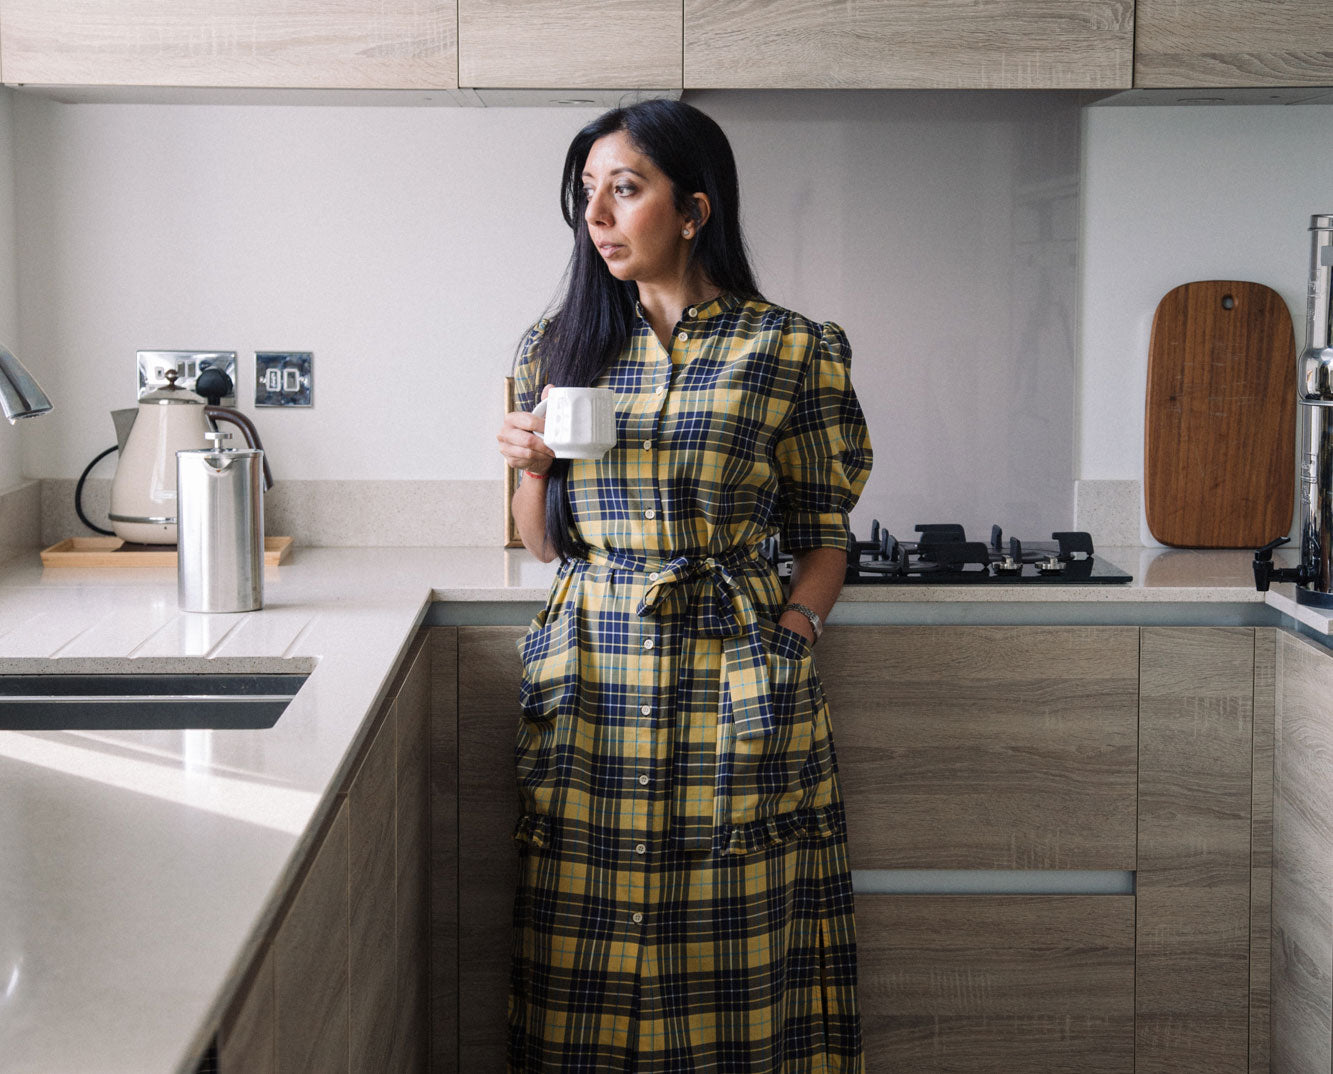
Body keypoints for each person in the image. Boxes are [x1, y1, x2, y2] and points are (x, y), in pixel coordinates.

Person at [495, 98, 872, 1073]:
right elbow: (542, 547)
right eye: (587, 193)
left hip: (735, 670)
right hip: (592, 675)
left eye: (625, 188)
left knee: (737, 939)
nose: (599, 216)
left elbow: (824, 536)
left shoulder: (789, 348)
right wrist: (530, 464)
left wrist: (789, 637)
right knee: (591, 936)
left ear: (694, 207)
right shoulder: (556, 347)